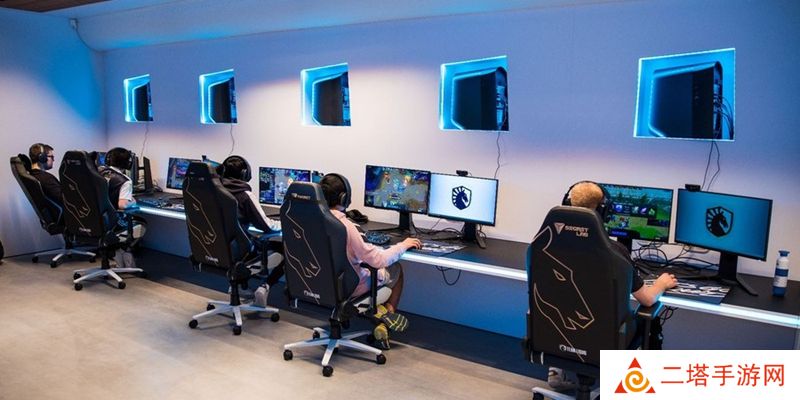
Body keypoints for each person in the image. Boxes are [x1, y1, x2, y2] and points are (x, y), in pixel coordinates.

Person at [548, 181, 678, 390]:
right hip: (603, 338)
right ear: (604, 212)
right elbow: (647, 299)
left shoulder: (547, 243)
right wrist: (661, 284)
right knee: (648, 318)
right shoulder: (614, 252)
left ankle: (557, 366)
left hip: (558, 331)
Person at [320, 173, 422, 350]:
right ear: (344, 198)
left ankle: (380, 314)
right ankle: (384, 320)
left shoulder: (312, 219)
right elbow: (378, 260)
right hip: (350, 287)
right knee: (396, 269)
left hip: (319, 282)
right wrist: (403, 245)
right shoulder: (347, 226)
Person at [217, 155, 284, 308]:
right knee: (284, 249)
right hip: (237, 249)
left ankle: (239, 285)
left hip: (217, 247)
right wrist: (284, 224)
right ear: (244, 174)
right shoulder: (244, 195)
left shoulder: (215, 191)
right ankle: (264, 287)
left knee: (245, 238)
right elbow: (266, 226)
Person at [100, 147, 147, 267]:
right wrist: (133, 201)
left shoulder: (98, 173)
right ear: (128, 163)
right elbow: (123, 205)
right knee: (141, 223)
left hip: (97, 220)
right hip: (112, 222)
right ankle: (126, 257)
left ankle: (119, 259)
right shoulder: (125, 181)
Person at [28, 143, 62, 207]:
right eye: (51, 157)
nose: (53, 160)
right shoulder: (47, 179)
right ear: (42, 157)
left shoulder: (32, 175)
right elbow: (65, 200)